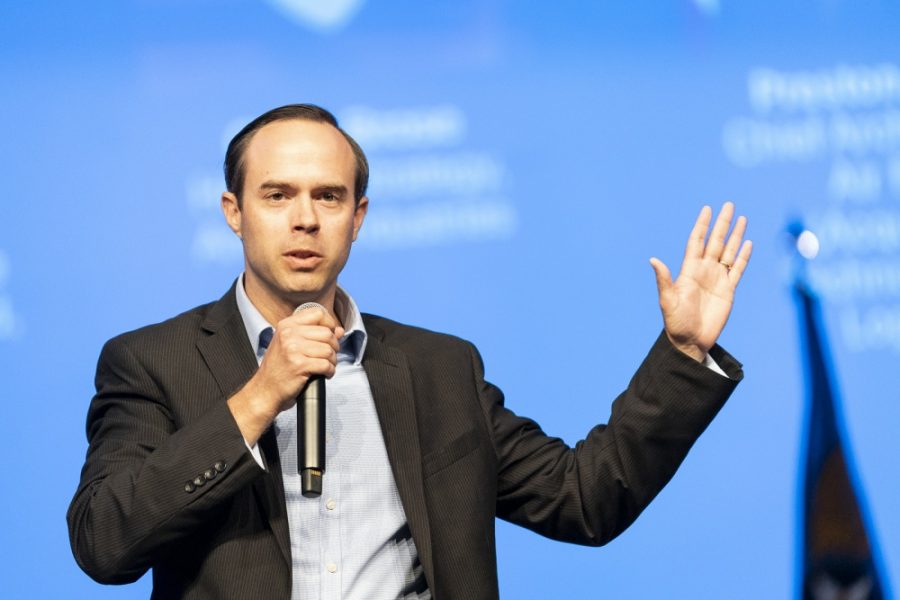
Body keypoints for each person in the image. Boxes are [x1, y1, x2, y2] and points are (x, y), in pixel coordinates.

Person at [68, 104, 752, 599]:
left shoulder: (438, 369)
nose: (305, 218)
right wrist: (255, 401)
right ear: (233, 211)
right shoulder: (151, 362)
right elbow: (104, 543)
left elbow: (585, 498)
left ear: (357, 217)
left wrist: (683, 351)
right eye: (277, 195)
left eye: (328, 196)